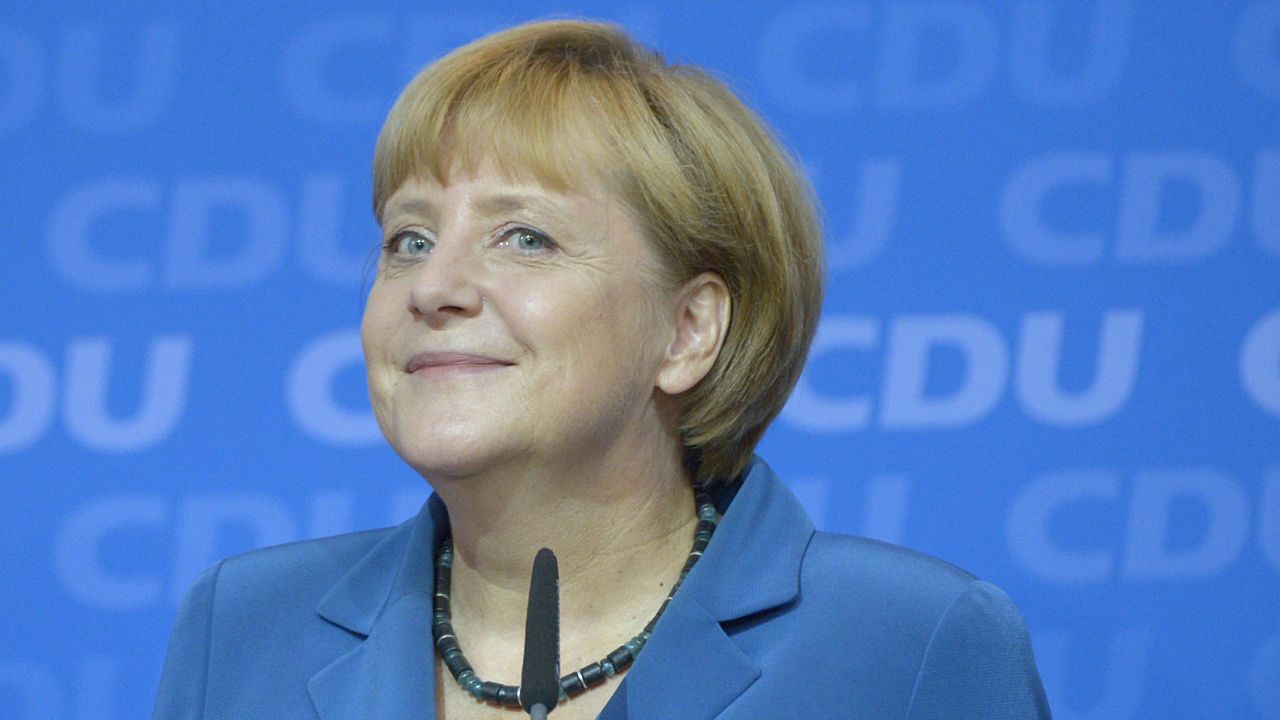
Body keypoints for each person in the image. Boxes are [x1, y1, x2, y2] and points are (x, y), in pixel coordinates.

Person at [152, 18, 1051, 720]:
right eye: (408, 239)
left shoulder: (908, 645)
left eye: (525, 237)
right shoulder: (246, 625)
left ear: (688, 330)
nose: (433, 286)